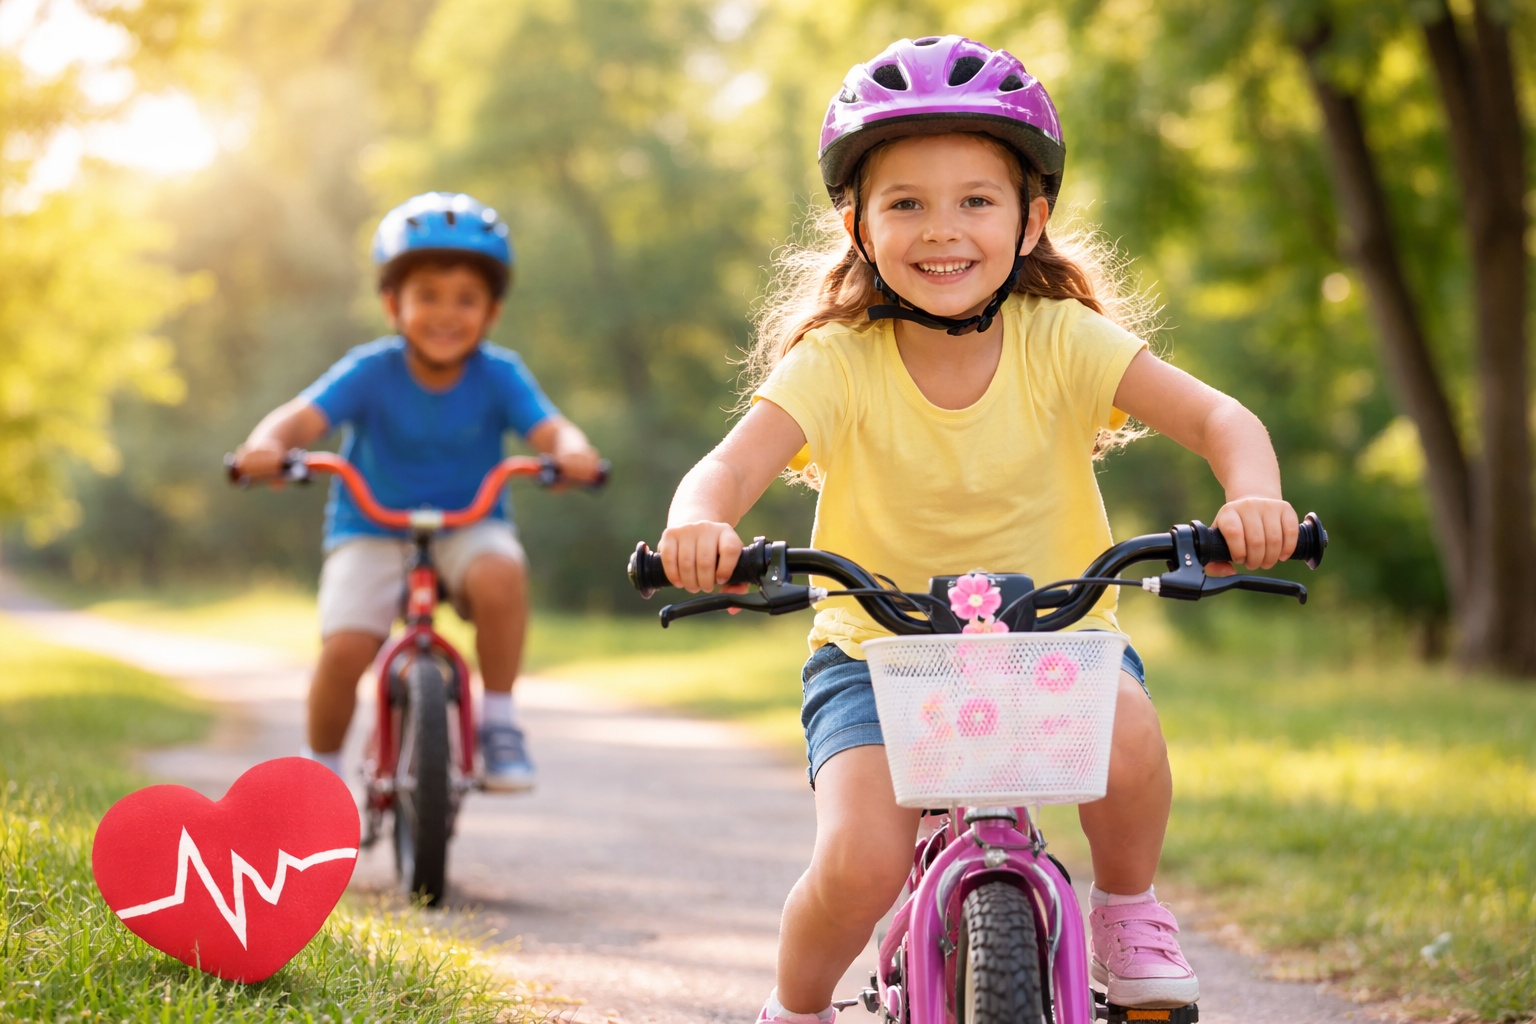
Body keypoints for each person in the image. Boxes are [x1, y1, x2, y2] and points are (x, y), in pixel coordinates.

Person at [654, 36, 1299, 1019]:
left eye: (976, 200)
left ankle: (1127, 908)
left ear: (1031, 220)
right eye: (905, 201)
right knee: (860, 862)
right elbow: (729, 466)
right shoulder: (838, 361)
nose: (940, 229)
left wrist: (1253, 496)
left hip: (1055, 639)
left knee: (1127, 733)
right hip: (877, 653)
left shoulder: (1064, 341)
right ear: (858, 224)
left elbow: (1222, 420)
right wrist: (698, 522)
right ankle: (794, 1006)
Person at [232, 191, 603, 793]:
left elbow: (552, 427)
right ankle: (319, 777)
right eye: (426, 295)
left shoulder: (500, 373)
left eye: (466, 299)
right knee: (346, 649)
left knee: (503, 576)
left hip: (468, 525)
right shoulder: (369, 369)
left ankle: (500, 723)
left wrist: (572, 452)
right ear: (392, 304)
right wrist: (266, 445)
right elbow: (301, 420)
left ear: (491, 312)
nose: (446, 313)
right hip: (369, 528)